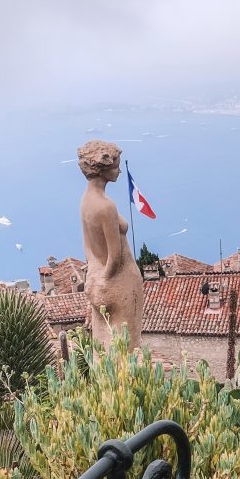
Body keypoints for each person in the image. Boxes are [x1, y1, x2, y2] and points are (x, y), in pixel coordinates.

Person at [78, 140, 144, 350]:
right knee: (128, 347)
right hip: (120, 280)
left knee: (102, 346)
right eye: (116, 166)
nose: (119, 171)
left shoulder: (86, 200)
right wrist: (106, 279)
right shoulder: (107, 207)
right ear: (102, 169)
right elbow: (115, 255)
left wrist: (94, 277)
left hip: (97, 276)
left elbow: (87, 244)